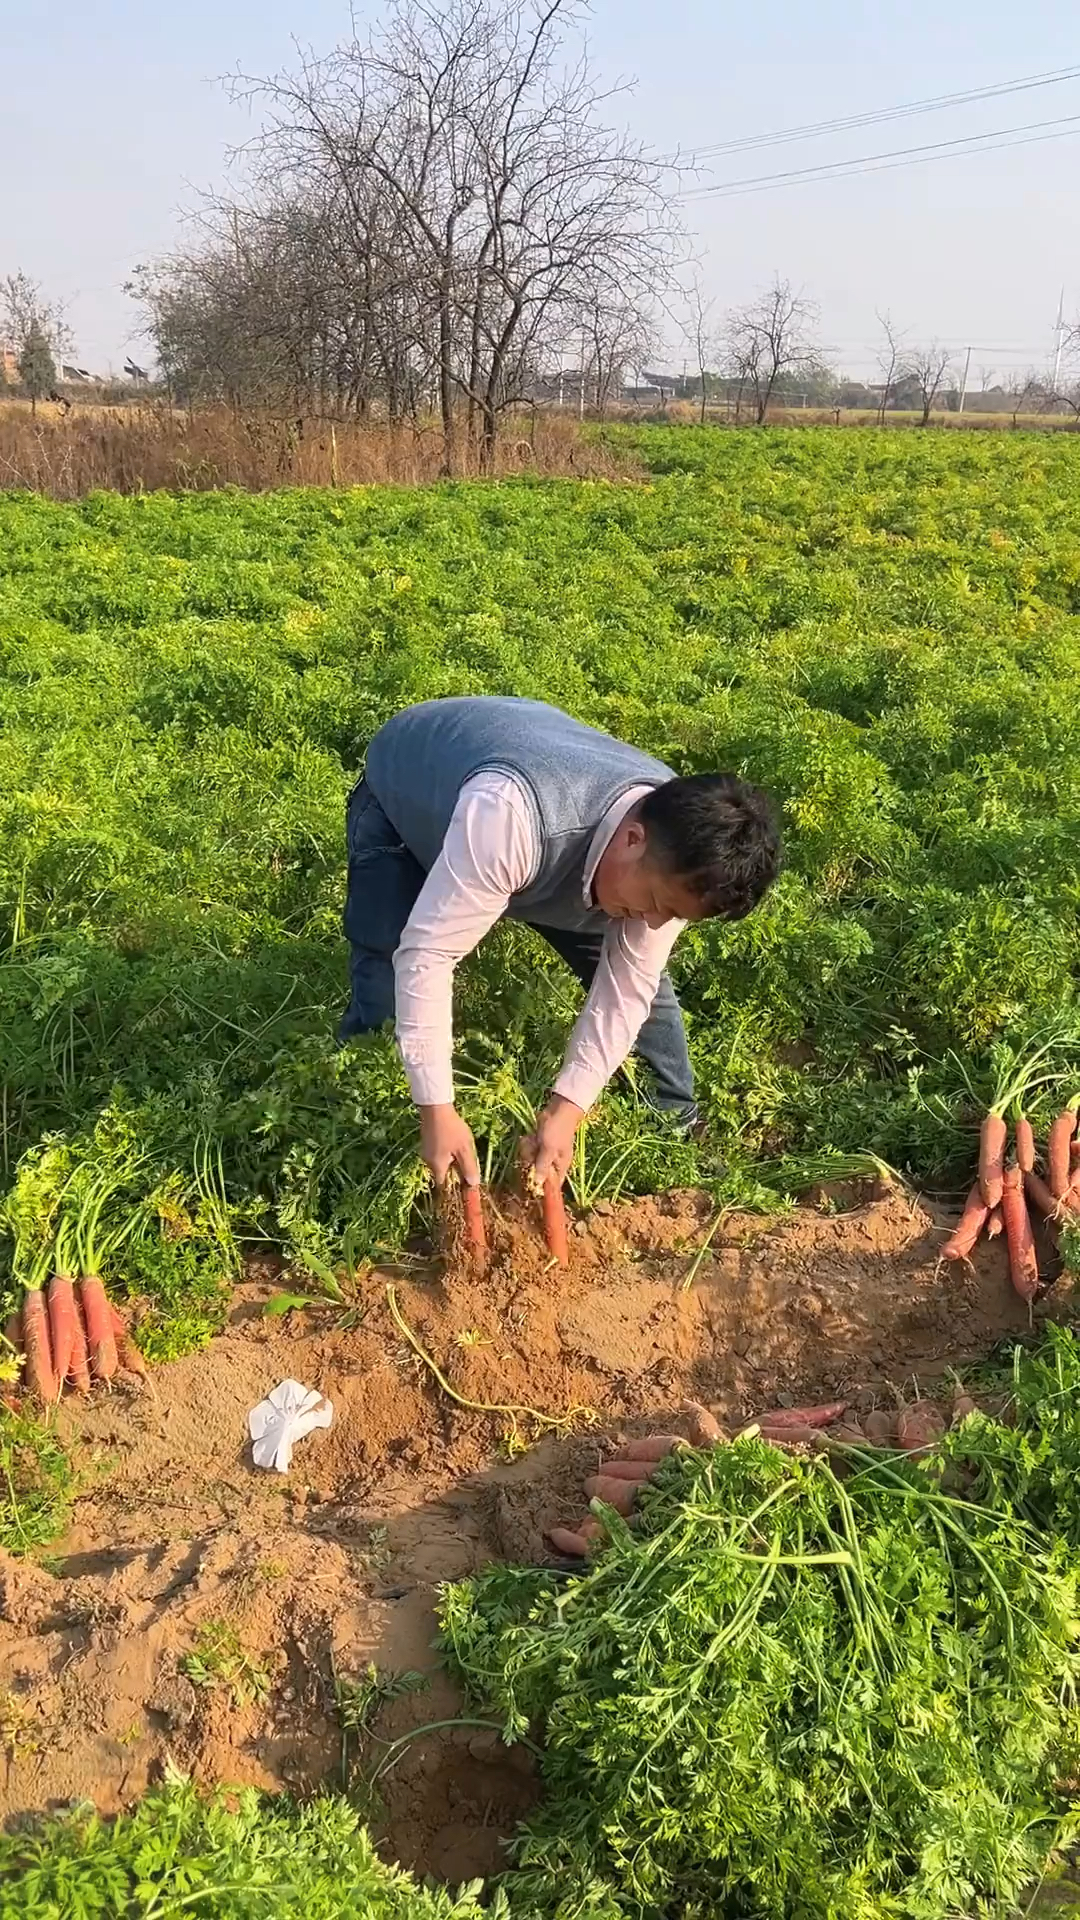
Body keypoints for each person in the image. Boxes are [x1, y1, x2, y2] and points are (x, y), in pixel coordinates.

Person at [339, 696, 781, 1190]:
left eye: (674, 915)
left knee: (647, 988)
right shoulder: (510, 819)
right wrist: (436, 1108)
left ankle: (674, 1127)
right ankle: (364, 1127)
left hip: (559, 837)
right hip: (412, 794)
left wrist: (566, 1110)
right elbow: (429, 956)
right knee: (386, 962)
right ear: (633, 839)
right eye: (658, 902)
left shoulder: (685, 857)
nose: (657, 923)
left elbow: (625, 996)